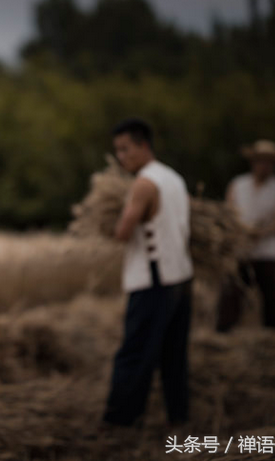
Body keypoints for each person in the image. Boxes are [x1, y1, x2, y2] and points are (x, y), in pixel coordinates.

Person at [101, 118, 193, 428]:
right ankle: (179, 417)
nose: (121, 157)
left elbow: (124, 231)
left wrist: (111, 222)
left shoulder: (143, 183)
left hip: (154, 278)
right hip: (181, 276)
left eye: (125, 149)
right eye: (117, 151)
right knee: (173, 355)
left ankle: (120, 422)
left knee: (135, 353)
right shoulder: (174, 178)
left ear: (144, 146)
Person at [216, 140, 275, 332]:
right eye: (260, 161)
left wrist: (262, 232)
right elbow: (229, 212)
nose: (264, 166)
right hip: (241, 248)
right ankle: (225, 330)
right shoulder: (238, 184)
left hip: (266, 250)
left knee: (270, 292)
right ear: (253, 162)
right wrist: (241, 231)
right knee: (232, 291)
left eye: (268, 162)